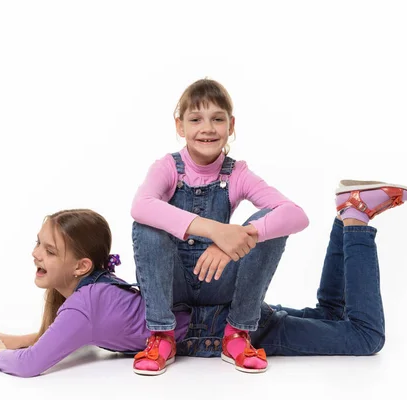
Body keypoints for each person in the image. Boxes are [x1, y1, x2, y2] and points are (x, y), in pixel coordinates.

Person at [0, 181, 407, 377]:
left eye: (49, 250)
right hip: (228, 319)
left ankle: (355, 221)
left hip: (224, 330)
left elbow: (32, 365)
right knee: (331, 315)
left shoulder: (83, 306)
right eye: (39, 244)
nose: (36, 254)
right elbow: (50, 337)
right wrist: (18, 336)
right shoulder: (91, 296)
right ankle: (346, 216)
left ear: (82, 267)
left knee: (363, 338)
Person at [129, 78, 310, 374]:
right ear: (180, 127)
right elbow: (141, 206)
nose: (208, 128)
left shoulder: (237, 173)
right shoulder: (167, 167)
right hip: (172, 283)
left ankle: (237, 333)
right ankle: (161, 334)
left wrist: (237, 240)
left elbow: (296, 215)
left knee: (268, 222)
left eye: (217, 119)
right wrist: (216, 231)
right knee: (146, 225)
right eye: (196, 119)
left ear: (231, 125)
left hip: (217, 280)